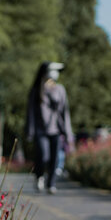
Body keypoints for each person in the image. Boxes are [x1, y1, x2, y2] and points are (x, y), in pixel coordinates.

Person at [25, 61, 74, 194]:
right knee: (43, 154)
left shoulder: (60, 89)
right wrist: (30, 131)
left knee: (55, 158)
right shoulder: (37, 90)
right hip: (40, 130)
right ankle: (39, 175)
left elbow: (65, 112)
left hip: (56, 130)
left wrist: (68, 133)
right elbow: (30, 112)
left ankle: (51, 183)